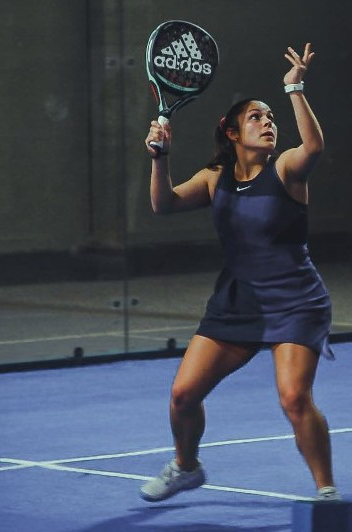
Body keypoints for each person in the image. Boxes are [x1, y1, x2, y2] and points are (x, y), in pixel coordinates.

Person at [140, 43, 340, 503]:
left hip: (296, 302)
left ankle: (327, 492)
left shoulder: (286, 169)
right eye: (256, 117)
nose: (268, 123)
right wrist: (159, 157)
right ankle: (186, 467)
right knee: (183, 395)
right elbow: (163, 204)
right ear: (231, 132)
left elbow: (313, 146)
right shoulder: (215, 177)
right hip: (237, 301)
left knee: (294, 398)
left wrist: (294, 88)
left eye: (271, 118)